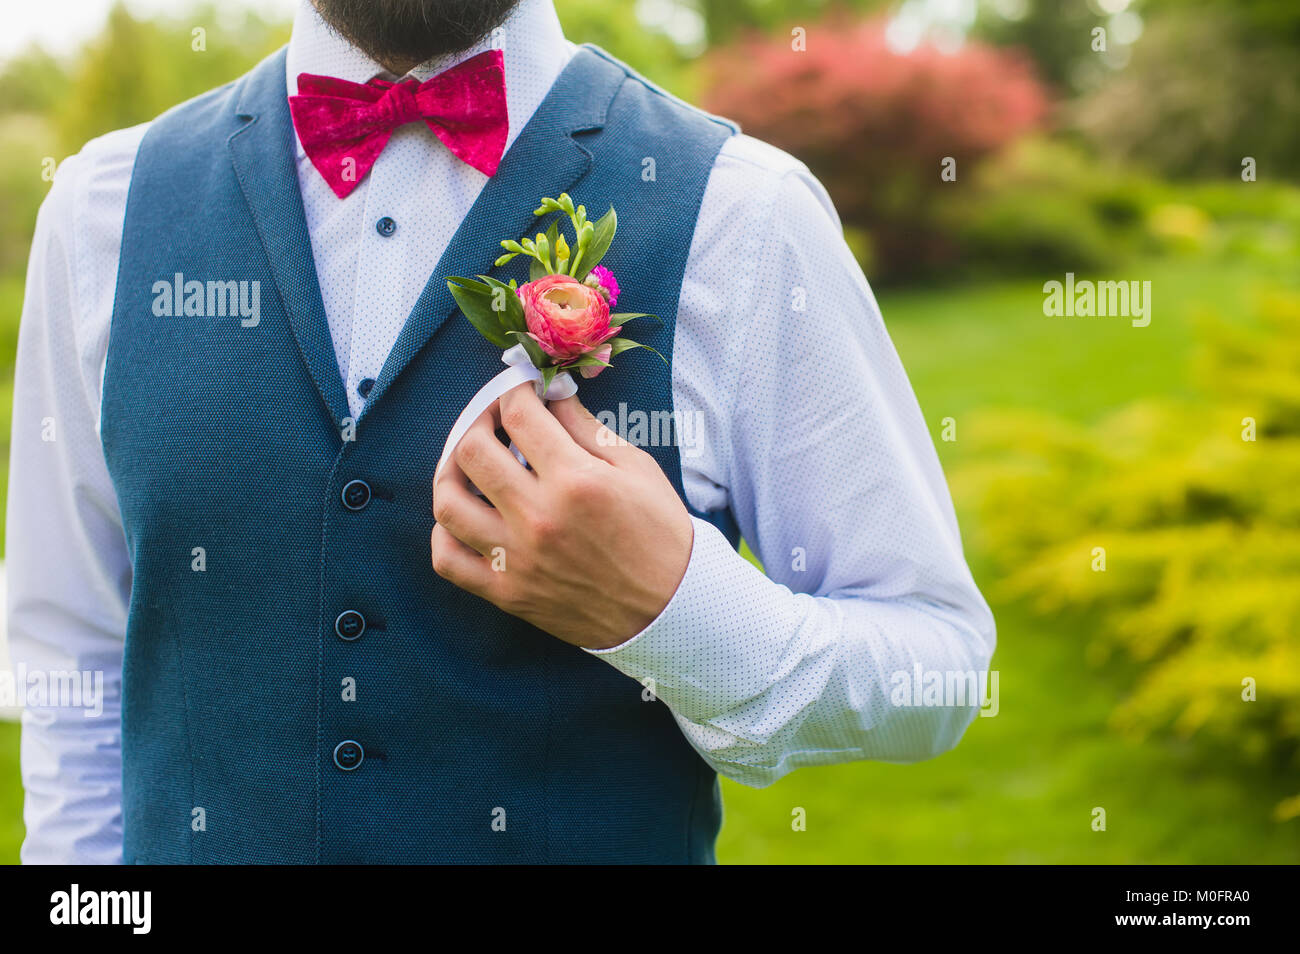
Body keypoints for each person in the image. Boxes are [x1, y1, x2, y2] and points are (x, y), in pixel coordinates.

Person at [8, 0, 995, 864]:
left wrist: (674, 610)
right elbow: (72, 661)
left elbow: (935, 662)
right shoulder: (104, 210)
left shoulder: (743, 212)